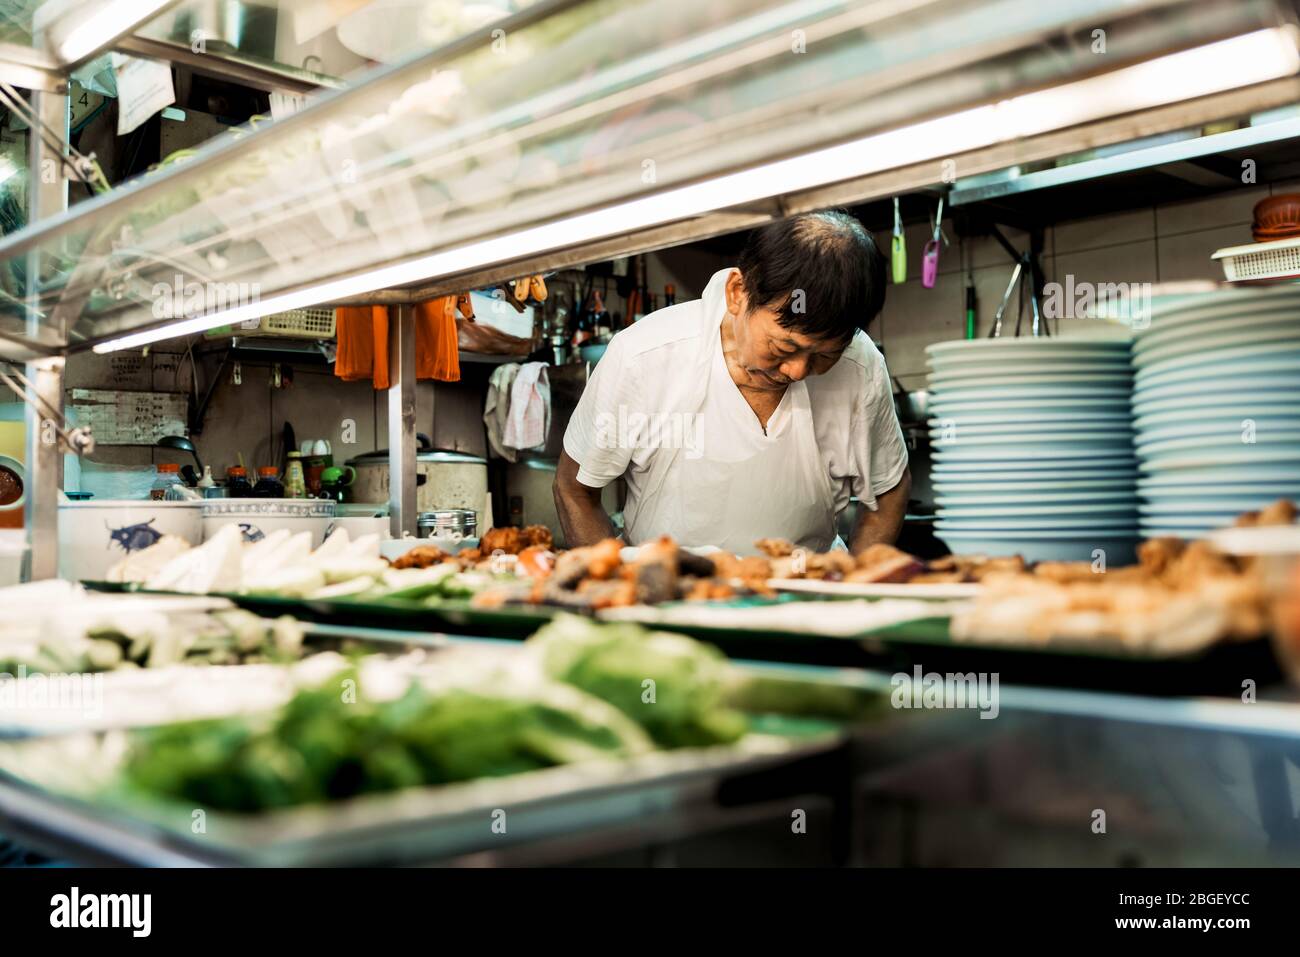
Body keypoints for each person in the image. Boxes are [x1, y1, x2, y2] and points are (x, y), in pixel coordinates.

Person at [554, 210, 910, 555]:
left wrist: (855, 585)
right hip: (668, 599)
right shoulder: (646, 355)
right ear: (738, 292)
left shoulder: (859, 366)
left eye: (824, 356)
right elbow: (575, 488)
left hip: (804, 599)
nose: (798, 371)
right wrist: (614, 589)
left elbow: (889, 490)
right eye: (783, 347)